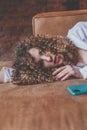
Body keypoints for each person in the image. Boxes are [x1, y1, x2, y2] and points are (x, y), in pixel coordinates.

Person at [0, 21, 87, 84]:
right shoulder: (64, 72)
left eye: (42, 52)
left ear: (47, 44)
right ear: (41, 70)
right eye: (41, 62)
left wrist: (82, 73)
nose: (49, 58)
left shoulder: (79, 31)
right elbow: (12, 74)